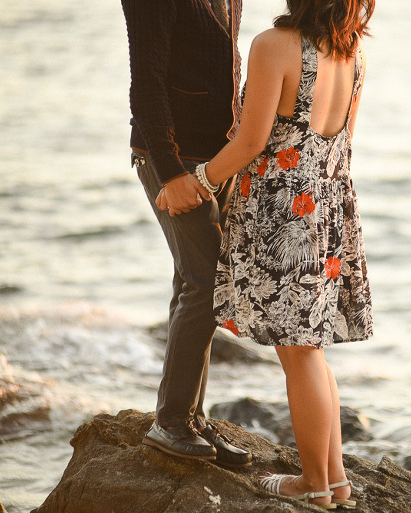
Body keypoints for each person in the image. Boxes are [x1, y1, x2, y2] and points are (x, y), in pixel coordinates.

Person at [156, 0, 375, 507]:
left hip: (282, 214)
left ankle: (314, 486)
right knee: (310, 353)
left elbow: (252, 141)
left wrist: (200, 181)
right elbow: (343, 144)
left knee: (298, 356)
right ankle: (335, 479)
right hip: (327, 208)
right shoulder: (355, 53)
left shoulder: (274, 46)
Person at [120, 0, 252, 467]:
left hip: (218, 162)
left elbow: (226, 71)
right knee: (208, 281)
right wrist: (171, 170)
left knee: (193, 280)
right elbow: (147, 82)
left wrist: (239, 153)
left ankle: (189, 417)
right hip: (171, 158)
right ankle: (171, 421)